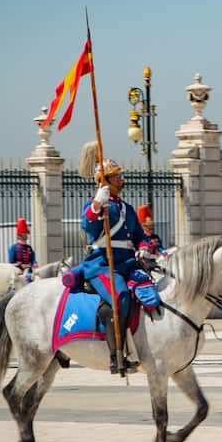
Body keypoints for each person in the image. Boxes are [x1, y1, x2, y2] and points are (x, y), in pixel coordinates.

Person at [75, 142, 151, 374]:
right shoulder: (98, 205)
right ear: (105, 181)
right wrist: (98, 204)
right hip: (102, 265)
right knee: (121, 297)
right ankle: (116, 355)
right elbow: (87, 226)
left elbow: (140, 236)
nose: (121, 179)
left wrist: (143, 248)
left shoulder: (127, 208)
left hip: (127, 263)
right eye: (116, 176)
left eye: (119, 175)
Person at [136, 205, 165, 271]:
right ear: (144, 227)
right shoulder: (140, 237)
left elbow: (160, 247)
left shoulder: (155, 237)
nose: (151, 230)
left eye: (152, 228)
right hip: (142, 264)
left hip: (154, 262)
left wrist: (165, 253)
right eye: (149, 228)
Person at [9, 218, 37, 282]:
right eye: (25, 233)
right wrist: (20, 265)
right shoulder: (13, 247)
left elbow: (33, 261)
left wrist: (36, 268)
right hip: (18, 274)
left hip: (29, 273)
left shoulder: (29, 248)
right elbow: (11, 262)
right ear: (20, 235)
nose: (26, 235)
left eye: (26, 233)